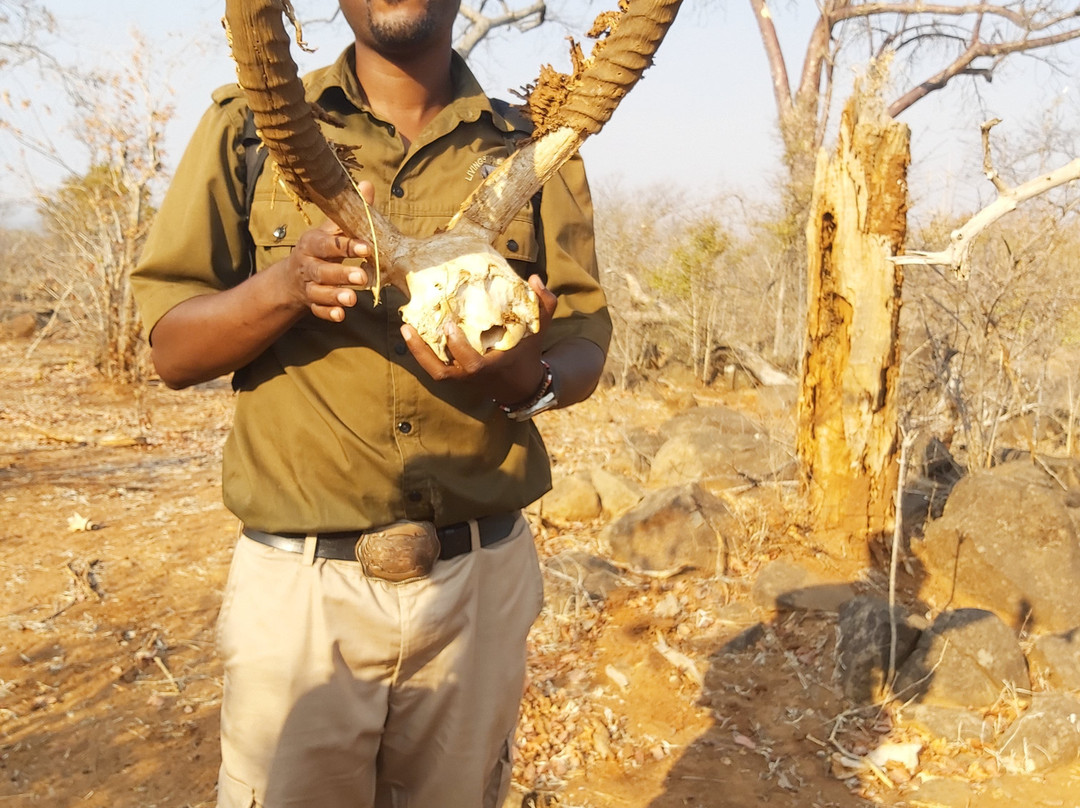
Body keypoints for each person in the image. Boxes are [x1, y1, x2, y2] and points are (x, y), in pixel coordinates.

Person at [131, 1, 611, 806]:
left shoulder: (535, 143)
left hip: (478, 590)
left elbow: (587, 340)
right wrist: (283, 288)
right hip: (301, 601)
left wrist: (521, 377)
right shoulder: (251, 127)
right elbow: (171, 350)